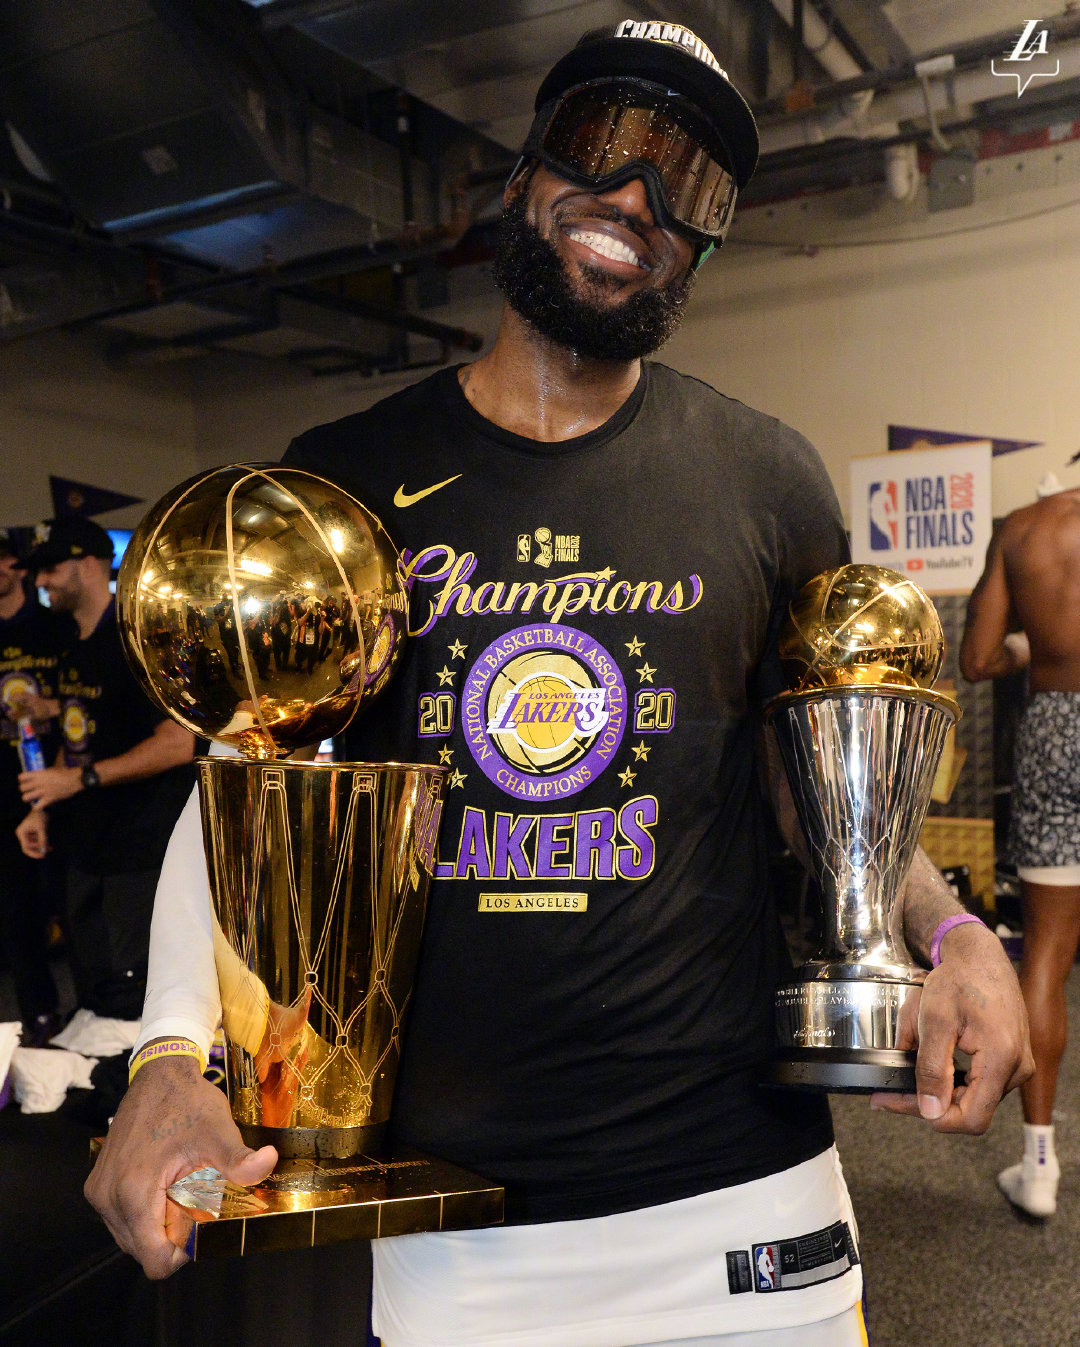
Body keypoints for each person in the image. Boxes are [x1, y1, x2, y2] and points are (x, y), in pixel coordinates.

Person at [87, 22, 1031, 1346]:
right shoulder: (347, 474)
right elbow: (246, 773)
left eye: (688, 184)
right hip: (459, 1237)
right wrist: (168, 1049)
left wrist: (956, 933)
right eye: (604, 143)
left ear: (704, 242)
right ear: (527, 169)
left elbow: (829, 796)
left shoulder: (765, 477)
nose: (637, 197)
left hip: (743, 1205)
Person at [15, 517, 196, 1021]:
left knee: (140, 999)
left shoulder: (138, 641)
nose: (41, 581)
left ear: (90, 564)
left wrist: (81, 779)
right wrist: (42, 806)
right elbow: (79, 735)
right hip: (87, 845)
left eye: (52, 568)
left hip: (142, 850)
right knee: (94, 992)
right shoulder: (74, 643)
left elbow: (179, 743)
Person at [960, 481, 1080, 1218]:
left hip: (1055, 733)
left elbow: (977, 658)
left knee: (1045, 954)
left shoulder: (1027, 527)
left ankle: (1039, 1166)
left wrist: (1030, 648)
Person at [0, 528, 73, 1044]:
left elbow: (85, 700)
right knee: (14, 908)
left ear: (13, 565)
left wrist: (51, 708)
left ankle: (96, 1009)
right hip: (6, 790)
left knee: (70, 898)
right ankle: (38, 1016)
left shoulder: (56, 628)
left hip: (64, 780)